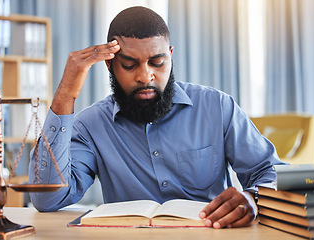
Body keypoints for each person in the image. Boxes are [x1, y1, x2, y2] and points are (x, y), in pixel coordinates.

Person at [28, 6, 286, 229]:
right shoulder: (90, 125)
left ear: (170, 55)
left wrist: (253, 198)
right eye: (129, 65)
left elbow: (270, 171)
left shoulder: (217, 106)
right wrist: (65, 97)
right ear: (109, 65)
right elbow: (47, 199)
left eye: (157, 62)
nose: (145, 76)